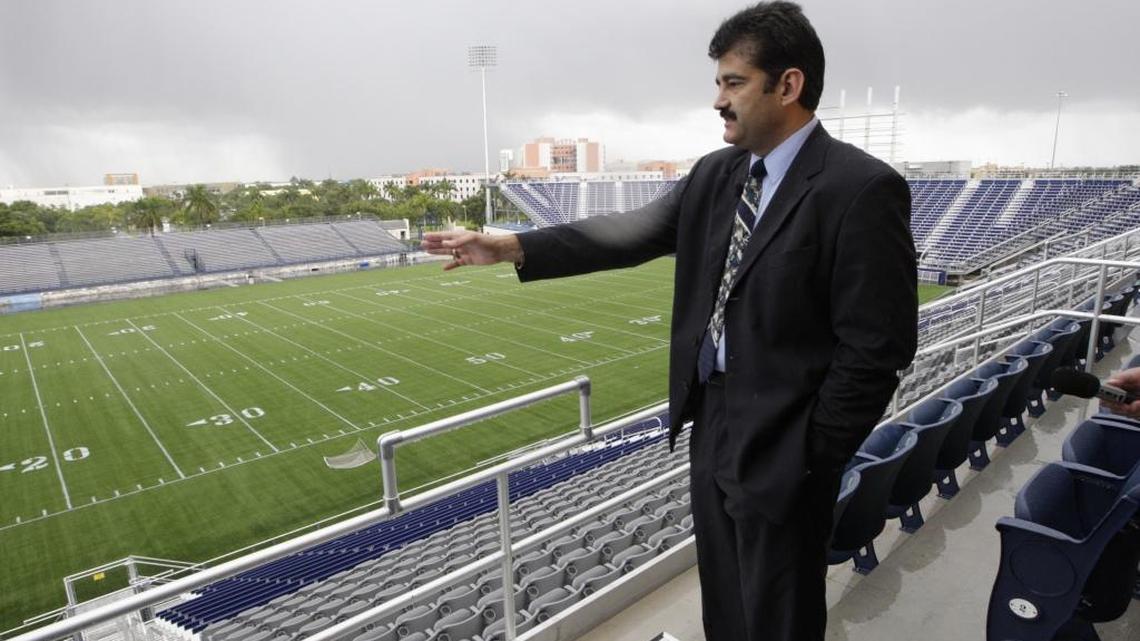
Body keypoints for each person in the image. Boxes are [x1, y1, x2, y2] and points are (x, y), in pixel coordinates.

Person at [422, 3, 917, 639]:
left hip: (787, 440)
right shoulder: (717, 174)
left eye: (733, 82)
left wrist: (811, 456)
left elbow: (877, 350)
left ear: (788, 85)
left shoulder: (860, 187)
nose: (718, 99)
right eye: (718, 82)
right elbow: (630, 233)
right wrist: (514, 246)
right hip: (711, 422)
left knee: (778, 614)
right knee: (726, 608)